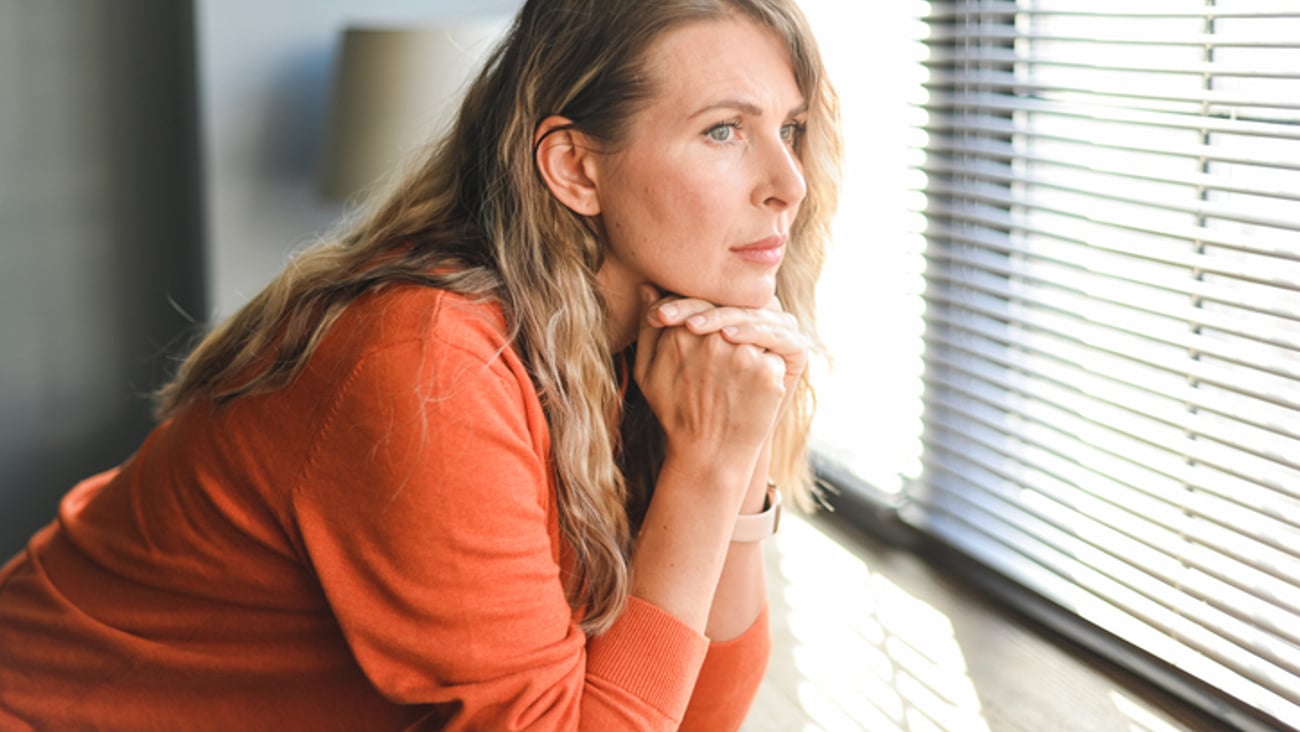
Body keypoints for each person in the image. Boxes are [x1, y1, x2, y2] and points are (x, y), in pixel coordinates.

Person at [0, 0, 840, 728]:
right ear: (576, 168)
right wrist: (705, 469)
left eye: (791, 129)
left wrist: (733, 466)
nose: (789, 182)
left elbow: (696, 714)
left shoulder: (653, 350)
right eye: (724, 130)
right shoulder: (429, 362)